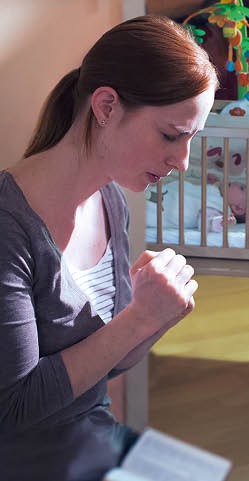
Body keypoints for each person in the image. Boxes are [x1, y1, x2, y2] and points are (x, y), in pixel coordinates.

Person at [0, 16, 216, 480]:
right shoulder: (8, 227)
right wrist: (139, 318)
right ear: (106, 107)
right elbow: (14, 407)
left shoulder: (110, 200)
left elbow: (103, 365)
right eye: (170, 135)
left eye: (191, 140)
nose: (183, 161)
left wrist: (156, 317)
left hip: (90, 441)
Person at [154, 174, 249, 232]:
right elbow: (201, 194)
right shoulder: (217, 195)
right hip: (165, 193)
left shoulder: (219, 209)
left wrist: (220, 222)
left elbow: (204, 224)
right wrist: (211, 183)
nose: (237, 183)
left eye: (242, 188)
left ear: (238, 209)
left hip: (165, 208)